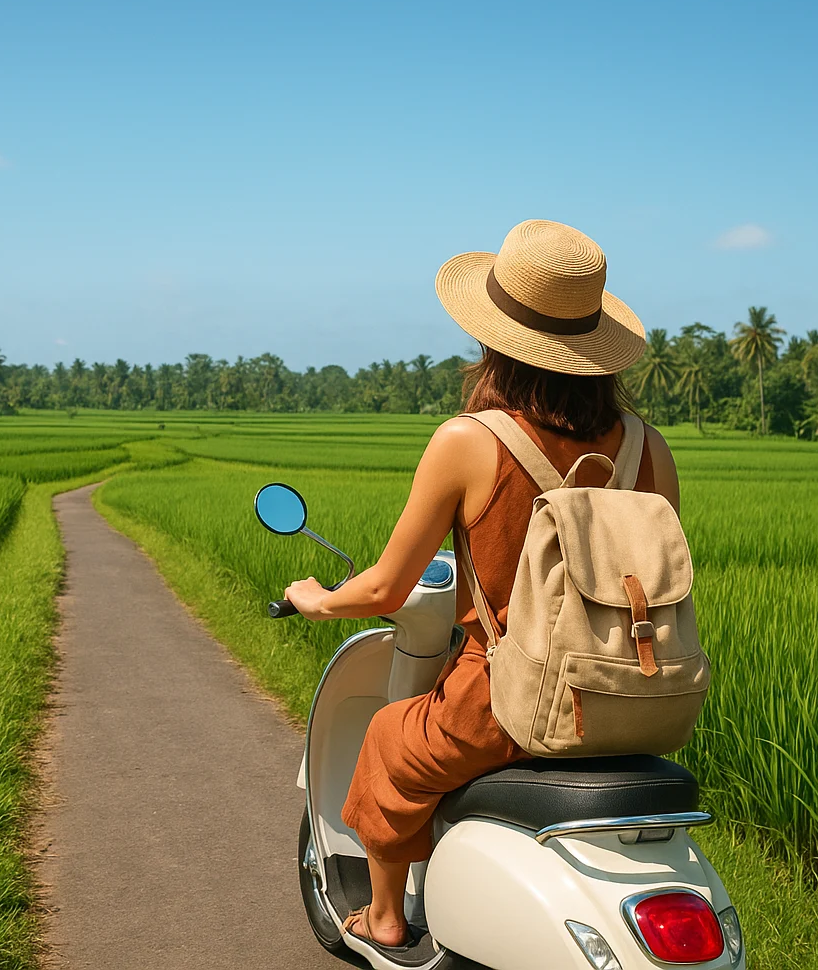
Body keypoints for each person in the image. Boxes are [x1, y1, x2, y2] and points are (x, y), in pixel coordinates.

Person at [284, 219, 680, 957]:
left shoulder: (470, 440)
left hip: (503, 702)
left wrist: (317, 598)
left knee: (386, 741)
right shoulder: (648, 447)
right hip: (635, 698)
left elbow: (384, 585)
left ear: (495, 340)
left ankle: (385, 920)